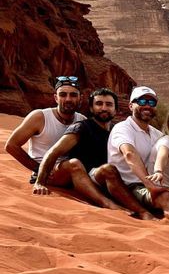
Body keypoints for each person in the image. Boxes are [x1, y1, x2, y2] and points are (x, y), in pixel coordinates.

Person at [29, 88, 153, 218]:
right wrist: (40, 182)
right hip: (78, 176)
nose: (104, 108)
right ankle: (112, 205)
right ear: (92, 109)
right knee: (78, 164)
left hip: (102, 178)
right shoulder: (82, 127)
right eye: (99, 104)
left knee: (113, 171)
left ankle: (144, 208)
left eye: (109, 104)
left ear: (115, 110)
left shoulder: (117, 131)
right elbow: (53, 152)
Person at [106, 86, 169, 231]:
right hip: (131, 186)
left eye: (152, 102)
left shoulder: (156, 134)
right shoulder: (122, 128)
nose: (147, 105)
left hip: (153, 184)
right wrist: (152, 186)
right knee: (164, 197)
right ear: (131, 106)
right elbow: (129, 154)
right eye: (142, 101)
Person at [5, 76, 86, 185]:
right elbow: (11, 145)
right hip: (46, 177)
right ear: (56, 98)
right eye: (63, 95)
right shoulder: (40, 117)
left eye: (73, 95)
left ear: (80, 98)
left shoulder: (82, 120)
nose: (68, 99)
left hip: (70, 174)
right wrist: (38, 169)